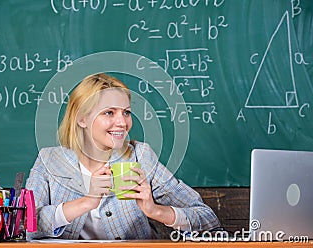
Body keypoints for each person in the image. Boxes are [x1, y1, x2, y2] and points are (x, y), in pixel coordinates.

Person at [25, 73, 220, 240]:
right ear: (81, 119)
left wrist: (155, 211)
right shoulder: (49, 160)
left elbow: (207, 218)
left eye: (126, 113)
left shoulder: (140, 157)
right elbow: (26, 226)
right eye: (109, 112)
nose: (122, 122)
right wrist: (87, 201)